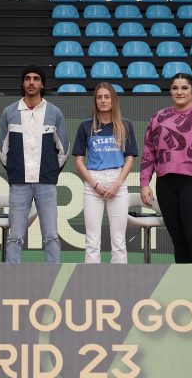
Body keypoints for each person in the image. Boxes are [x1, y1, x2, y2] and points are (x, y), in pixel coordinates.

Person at [139, 73, 192, 263]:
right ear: (170, 91)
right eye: (175, 88)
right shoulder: (158, 117)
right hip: (166, 184)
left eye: (184, 88)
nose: (179, 92)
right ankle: (184, 281)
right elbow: (148, 151)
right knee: (178, 239)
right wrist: (144, 183)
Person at [0, 65, 69, 263]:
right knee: (15, 236)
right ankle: (12, 277)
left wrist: (50, 172)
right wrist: (16, 171)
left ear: (42, 84)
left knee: (51, 236)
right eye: (27, 78)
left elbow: (63, 150)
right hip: (19, 183)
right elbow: (3, 151)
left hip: (46, 184)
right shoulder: (9, 112)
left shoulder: (54, 112)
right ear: (23, 83)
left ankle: (53, 276)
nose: (31, 82)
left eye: (36, 79)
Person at [73, 83, 137, 263]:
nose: (103, 101)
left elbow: (130, 159)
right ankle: (92, 279)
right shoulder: (85, 126)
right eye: (99, 97)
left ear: (113, 99)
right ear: (95, 101)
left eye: (107, 97)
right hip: (93, 182)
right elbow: (78, 162)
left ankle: (119, 279)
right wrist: (94, 185)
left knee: (119, 240)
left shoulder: (125, 125)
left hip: (118, 182)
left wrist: (117, 184)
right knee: (92, 240)